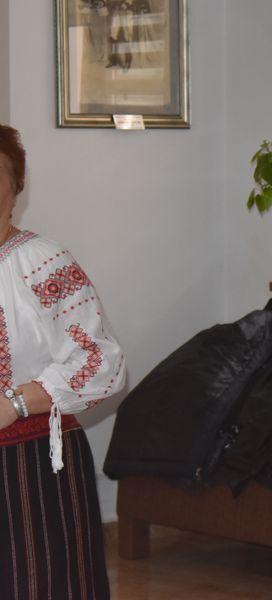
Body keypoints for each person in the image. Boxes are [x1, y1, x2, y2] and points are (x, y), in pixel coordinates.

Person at [0, 123, 125, 599]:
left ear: (17, 187)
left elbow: (101, 360)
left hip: (29, 466)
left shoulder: (41, 263)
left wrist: (15, 402)